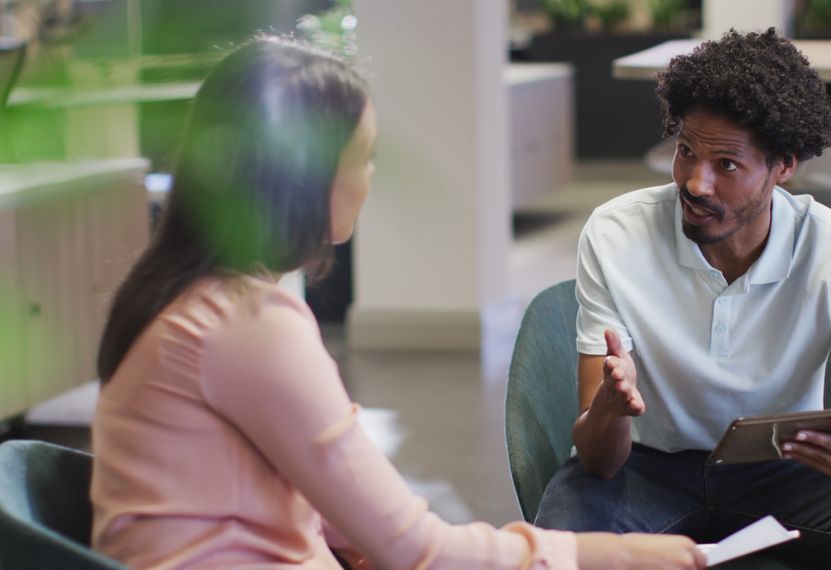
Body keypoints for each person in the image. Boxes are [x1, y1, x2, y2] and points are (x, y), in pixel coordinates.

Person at [90, 36, 705, 570]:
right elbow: (416, 551)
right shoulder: (247, 325)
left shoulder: (184, 294)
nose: (370, 176)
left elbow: (326, 506)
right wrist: (611, 554)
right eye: (364, 155)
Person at [532, 28, 831, 569]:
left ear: (784, 165)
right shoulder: (616, 233)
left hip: (787, 475)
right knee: (562, 547)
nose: (696, 183)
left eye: (726, 165)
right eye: (686, 152)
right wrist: (610, 410)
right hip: (645, 469)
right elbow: (602, 464)